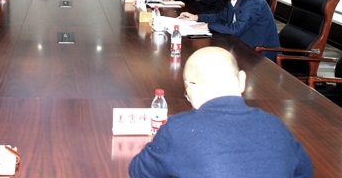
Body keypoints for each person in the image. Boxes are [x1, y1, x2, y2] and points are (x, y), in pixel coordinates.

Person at [129, 47, 313, 178]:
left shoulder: (177, 130)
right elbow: (304, 171)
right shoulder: (276, 126)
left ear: (190, 88)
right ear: (242, 80)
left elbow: (139, 172)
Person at [179, 0, 281, 60]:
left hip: (259, 55)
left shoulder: (252, 3)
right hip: (240, 46)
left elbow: (236, 29)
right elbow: (220, 17)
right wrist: (196, 17)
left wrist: (208, 26)